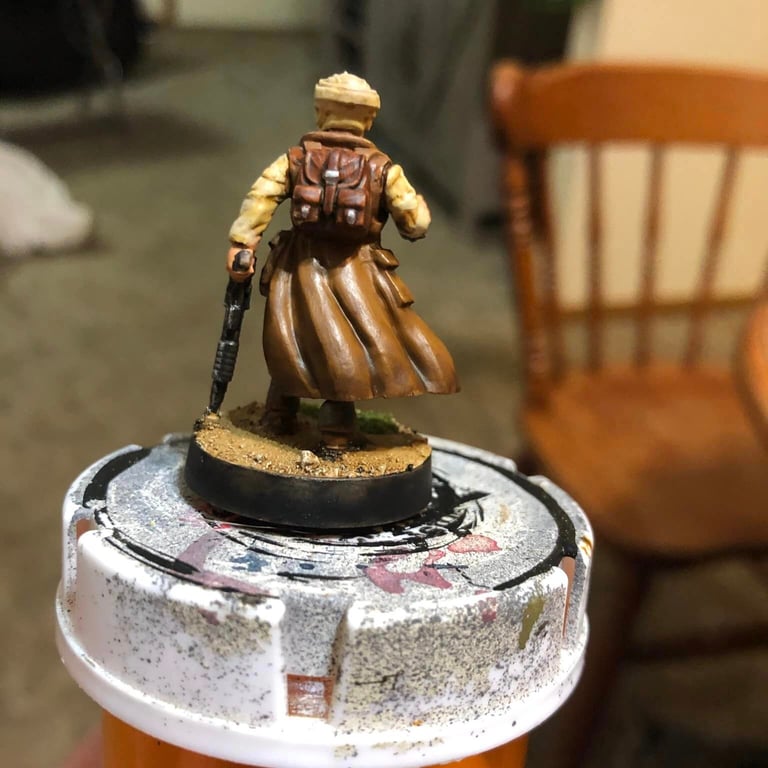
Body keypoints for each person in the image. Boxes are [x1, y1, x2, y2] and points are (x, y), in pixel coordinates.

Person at [225, 72, 458, 446]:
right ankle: (336, 434)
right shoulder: (384, 169)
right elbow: (415, 224)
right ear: (368, 120)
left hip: (297, 268)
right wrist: (419, 210)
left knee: (293, 341)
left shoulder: (296, 159)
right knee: (350, 349)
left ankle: (278, 415)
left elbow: (260, 198)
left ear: (321, 112)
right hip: (357, 271)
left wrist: (242, 244)